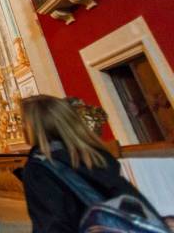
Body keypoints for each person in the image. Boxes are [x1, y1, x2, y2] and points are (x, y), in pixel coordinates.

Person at [19, 95, 166, 233]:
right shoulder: (97, 155)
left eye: (23, 122)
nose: (22, 127)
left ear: (36, 127)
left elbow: (53, 225)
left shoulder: (40, 169)